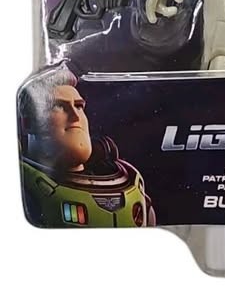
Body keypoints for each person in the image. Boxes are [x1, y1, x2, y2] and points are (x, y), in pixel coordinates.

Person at [19, 64, 155, 227]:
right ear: (28, 123)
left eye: (78, 106)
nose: (75, 116)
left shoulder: (131, 183)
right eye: (59, 106)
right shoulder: (24, 189)